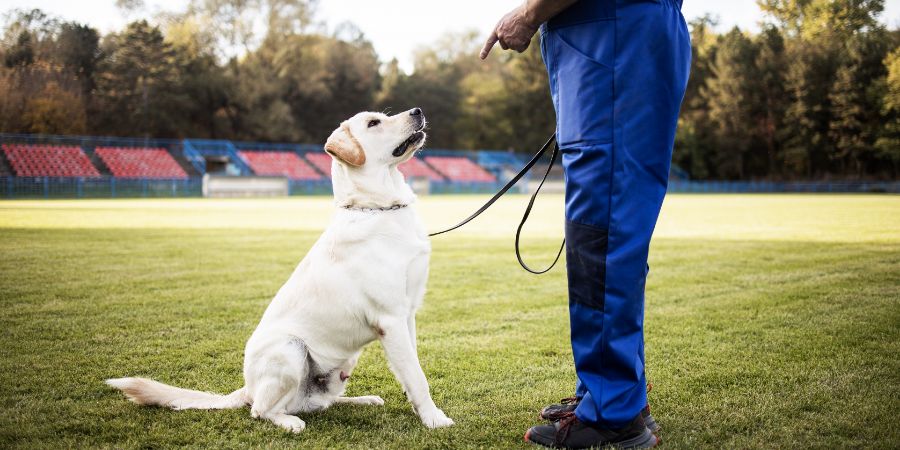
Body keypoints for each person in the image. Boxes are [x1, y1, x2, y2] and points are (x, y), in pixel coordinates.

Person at [481, 0, 691, 448]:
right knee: (608, 232)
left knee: (602, 234)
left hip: (610, 38)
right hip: (613, 37)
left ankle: (614, 414)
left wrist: (530, 14)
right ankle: (616, 393)